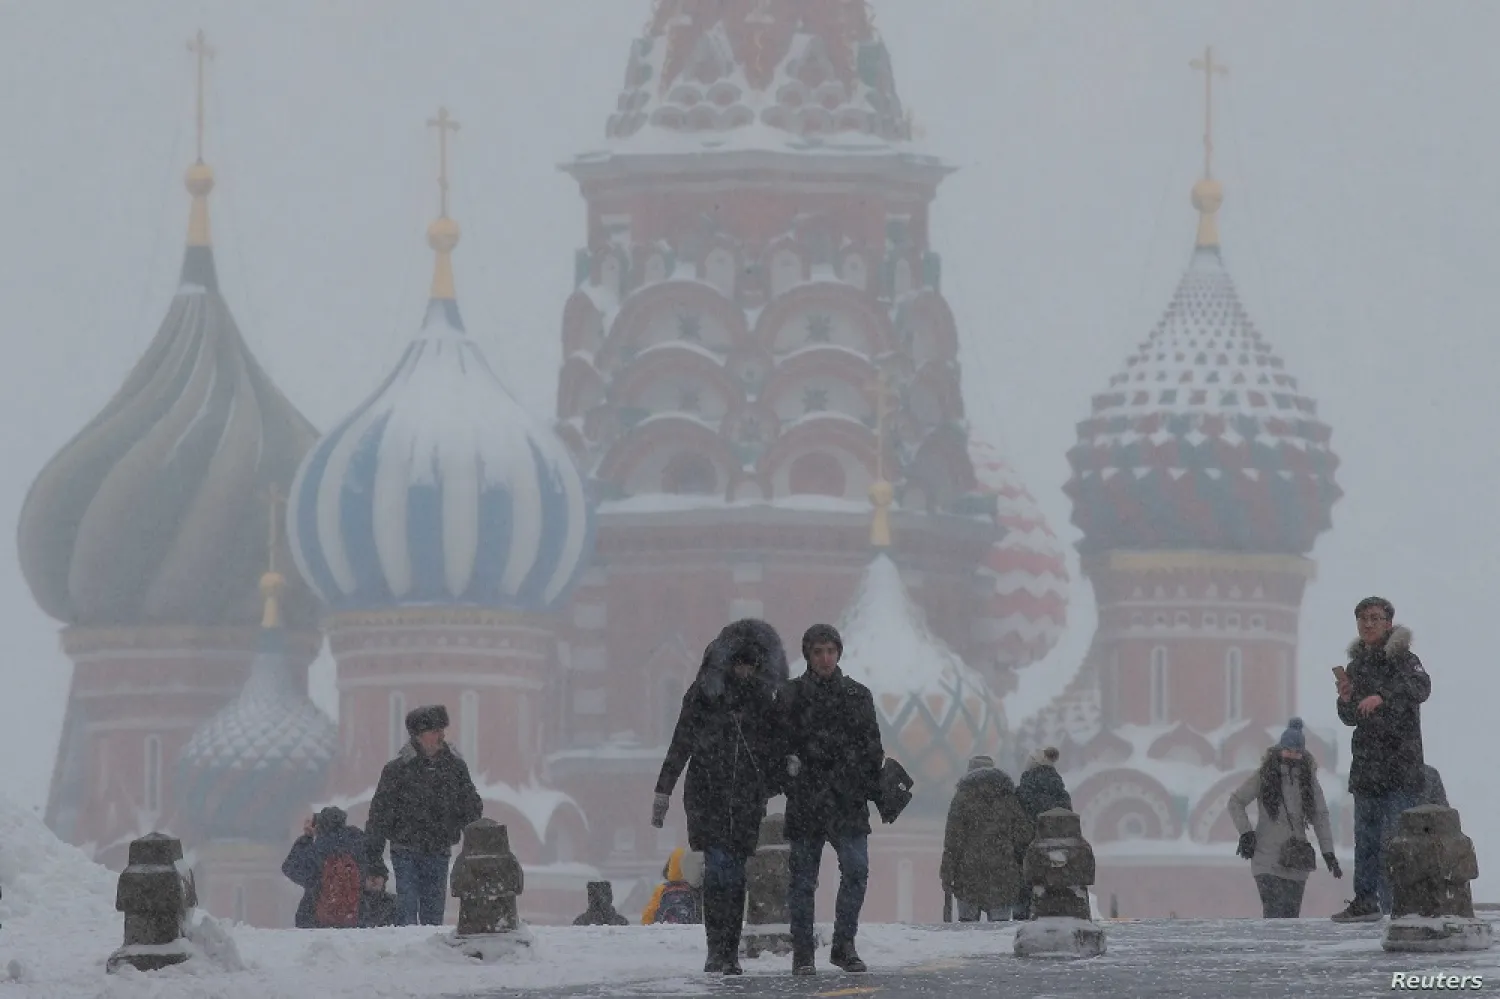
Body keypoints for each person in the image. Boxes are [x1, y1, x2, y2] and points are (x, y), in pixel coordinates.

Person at [651, 619, 788, 975]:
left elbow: (776, 749)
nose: (744, 671)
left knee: (736, 875)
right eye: (739, 664)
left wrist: (779, 778)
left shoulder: (762, 703)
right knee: (718, 873)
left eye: (750, 665)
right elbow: (681, 741)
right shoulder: (704, 695)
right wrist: (663, 788)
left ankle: (730, 951)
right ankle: (718, 950)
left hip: (744, 799)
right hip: (708, 796)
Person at [778, 623, 884, 977]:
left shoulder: (857, 695)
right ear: (808, 654)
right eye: (818, 651)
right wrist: (792, 769)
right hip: (808, 800)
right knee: (803, 881)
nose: (825, 658)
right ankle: (803, 952)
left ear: (839, 653)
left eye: (830, 651)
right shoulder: (791, 695)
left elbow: (872, 748)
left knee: (856, 871)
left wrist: (858, 779)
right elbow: (777, 747)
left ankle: (844, 945)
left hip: (846, 801)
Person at [1331, 597, 1431, 922]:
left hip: (1400, 767)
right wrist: (1346, 699)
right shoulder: (1358, 666)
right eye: (1362, 618)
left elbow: (1421, 688)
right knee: (1366, 839)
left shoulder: (1404, 659)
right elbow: (1351, 717)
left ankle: (1398, 905)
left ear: (1389, 623)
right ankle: (1365, 901)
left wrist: (1383, 697)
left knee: (1396, 840)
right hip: (1367, 767)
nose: (1368, 624)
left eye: (1375, 618)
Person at [365, 704, 484, 926]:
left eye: (441, 730)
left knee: (433, 913)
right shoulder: (397, 770)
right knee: (407, 910)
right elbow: (379, 815)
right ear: (418, 736)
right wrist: (373, 860)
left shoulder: (454, 768)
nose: (441, 735)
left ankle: (429, 957)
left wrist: (465, 823)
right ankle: (408, 954)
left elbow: (471, 806)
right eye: (435, 731)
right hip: (405, 850)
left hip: (438, 849)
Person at [1227, 719, 1341, 918]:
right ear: (1279, 749)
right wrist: (1246, 833)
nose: (1292, 755)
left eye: (1297, 752)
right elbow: (1236, 801)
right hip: (1266, 858)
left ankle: (1282, 950)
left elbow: (1320, 817)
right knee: (1273, 915)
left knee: (1290, 920)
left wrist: (1328, 853)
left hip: (1296, 861)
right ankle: (1271, 950)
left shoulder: (1309, 782)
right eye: (1287, 750)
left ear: (1303, 753)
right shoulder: (1265, 775)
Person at [940, 755, 1033, 923]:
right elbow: (1022, 836)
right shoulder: (1008, 797)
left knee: (967, 929)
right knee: (998, 932)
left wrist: (947, 874)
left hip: (968, 874)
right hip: (1002, 873)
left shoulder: (962, 798)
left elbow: (953, 840)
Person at [281, 806, 371, 929]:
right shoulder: (357, 844)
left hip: (315, 919)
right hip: (356, 917)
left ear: (319, 826)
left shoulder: (316, 851)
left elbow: (289, 868)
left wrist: (306, 837)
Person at [1014, 746, 1072, 918]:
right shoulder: (1060, 793)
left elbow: (1016, 824)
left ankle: (1023, 925)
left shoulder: (1021, 792)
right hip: (1055, 853)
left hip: (1027, 851)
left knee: (1024, 900)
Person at [641, 847, 704, 925]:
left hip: (668, 933)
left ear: (670, 865)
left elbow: (647, 917)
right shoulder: (697, 890)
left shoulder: (662, 889)